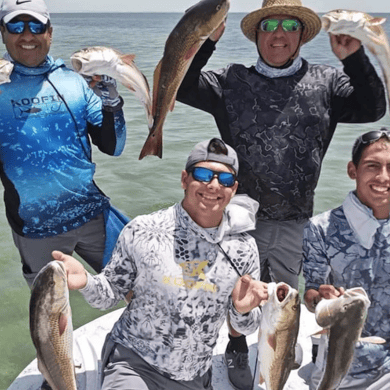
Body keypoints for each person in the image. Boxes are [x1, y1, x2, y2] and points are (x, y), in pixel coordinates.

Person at [176, 0, 386, 385]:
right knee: (237, 290)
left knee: (285, 294)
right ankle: (237, 346)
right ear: (257, 33)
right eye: (269, 24)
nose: (278, 33)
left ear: (302, 34)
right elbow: (183, 86)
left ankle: (279, 348)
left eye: (289, 24)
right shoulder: (230, 80)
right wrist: (206, 42)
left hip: (295, 217)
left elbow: (373, 108)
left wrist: (355, 58)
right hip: (239, 212)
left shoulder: (328, 81)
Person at [53, 138, 268, 390]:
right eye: (203, 174)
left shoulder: (243, 248)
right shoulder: (143, 230)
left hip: (194, 375)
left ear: (233, 189)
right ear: (184, 179)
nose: (213, 185)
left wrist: (241, 310)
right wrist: (87, 281)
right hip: (134, 363)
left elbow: (249, 326)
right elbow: (108, 296)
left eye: (225, 179)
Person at [0, 0, 129, 287]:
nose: (27, 35)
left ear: (50, 32)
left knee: (144, 280)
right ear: (2, 32)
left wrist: (112, 104)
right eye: (15, 26)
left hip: (92, 214)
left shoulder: (74, 81)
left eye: (36, 25)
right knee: (51, 321)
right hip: (35, 229)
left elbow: (114, 146)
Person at [303, 127, 390, 390]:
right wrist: (321, 298)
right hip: (342, 367)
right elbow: (310, 294)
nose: (383, 177)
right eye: (373, 166)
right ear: (353, 171)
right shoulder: (320, 227)